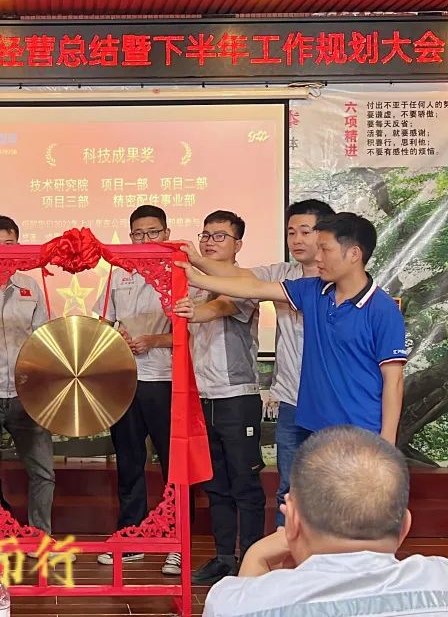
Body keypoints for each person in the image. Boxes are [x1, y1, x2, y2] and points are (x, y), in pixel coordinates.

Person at [203, 426, 448, 617]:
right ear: (404, 526)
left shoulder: (234, 603)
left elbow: (242, 602)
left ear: (293, 522)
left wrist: (255, 557)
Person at [177, 212, 406, 445]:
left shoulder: (382, 309)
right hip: (311, 426)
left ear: (354, 254)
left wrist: (387, 442)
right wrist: (196, 276)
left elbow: (394, 380)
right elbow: (253, 288)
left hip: (361, 431)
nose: (318, 257)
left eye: (325, 250)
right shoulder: (312, 290)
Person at [182, 200, 335, 526]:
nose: (296, 239)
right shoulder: (281, 274)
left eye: (305, 232)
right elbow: (241, 278)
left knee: (332, 487)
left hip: (331, 402)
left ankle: (328, 554)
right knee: (287, 490)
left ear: (326, 235)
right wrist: (196, 263)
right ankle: (285, 554)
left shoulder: (339, 283)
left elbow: (227, 302)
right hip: (291, 399)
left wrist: (197, 277)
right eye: (291, 232)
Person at [182, 210, 266, 586]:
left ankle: (250, 559)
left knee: (244, 484)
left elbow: (221, 307)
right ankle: (222, 558)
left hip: (237, 398)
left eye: (219, 236)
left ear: (238, 245)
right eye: (205, 235)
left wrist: (194, 311)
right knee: (215, 485)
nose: (210, 242)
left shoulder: (246, 282)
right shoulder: (194, 286)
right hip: (202, 396)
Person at [93, 205, 178, 575]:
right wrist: (117, 334)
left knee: (173, 465)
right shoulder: (118, 273)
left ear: (166, 233)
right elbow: (104, 319)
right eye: (138, 234)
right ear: (129, 237)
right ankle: (131, 538)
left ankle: (176, 542)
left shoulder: (179, 273)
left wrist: (154, 340)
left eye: (153, 232)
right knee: (129, 462)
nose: (145, 240)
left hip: (165, 380)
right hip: (125, 380)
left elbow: (191, 330)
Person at [0, 216, 63, 550]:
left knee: (43, 471)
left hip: (26, 394)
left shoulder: (30, 286)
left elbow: (44, 338)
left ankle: (41, 538)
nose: (2, 251)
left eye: (9, 245)